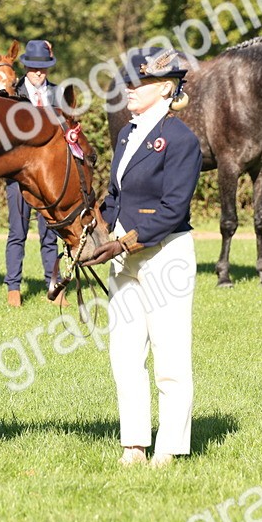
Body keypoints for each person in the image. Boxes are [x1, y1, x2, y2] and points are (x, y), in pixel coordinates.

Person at [89, 47, 202, 468]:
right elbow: (115, 196)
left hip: (166, 256)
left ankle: (169, 448)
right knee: (125, 353)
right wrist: (98, 233)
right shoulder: (126, 134)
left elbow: (174, 209)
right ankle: (133, 444)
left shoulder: (182, 140)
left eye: (139, 84)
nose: (129, 90)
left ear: (166, 90)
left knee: (170, 357)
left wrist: (122, 243)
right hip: (124, 256)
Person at [4, 39, 62, 307]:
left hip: (49, 174)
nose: (39, 73)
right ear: (26, 67)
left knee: (50, 233)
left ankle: (53, 286)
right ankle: (13, 287)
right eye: (34, 68)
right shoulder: (12, 94)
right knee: (18, 232)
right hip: (19, 174)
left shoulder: (58, 94)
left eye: (44, 68)